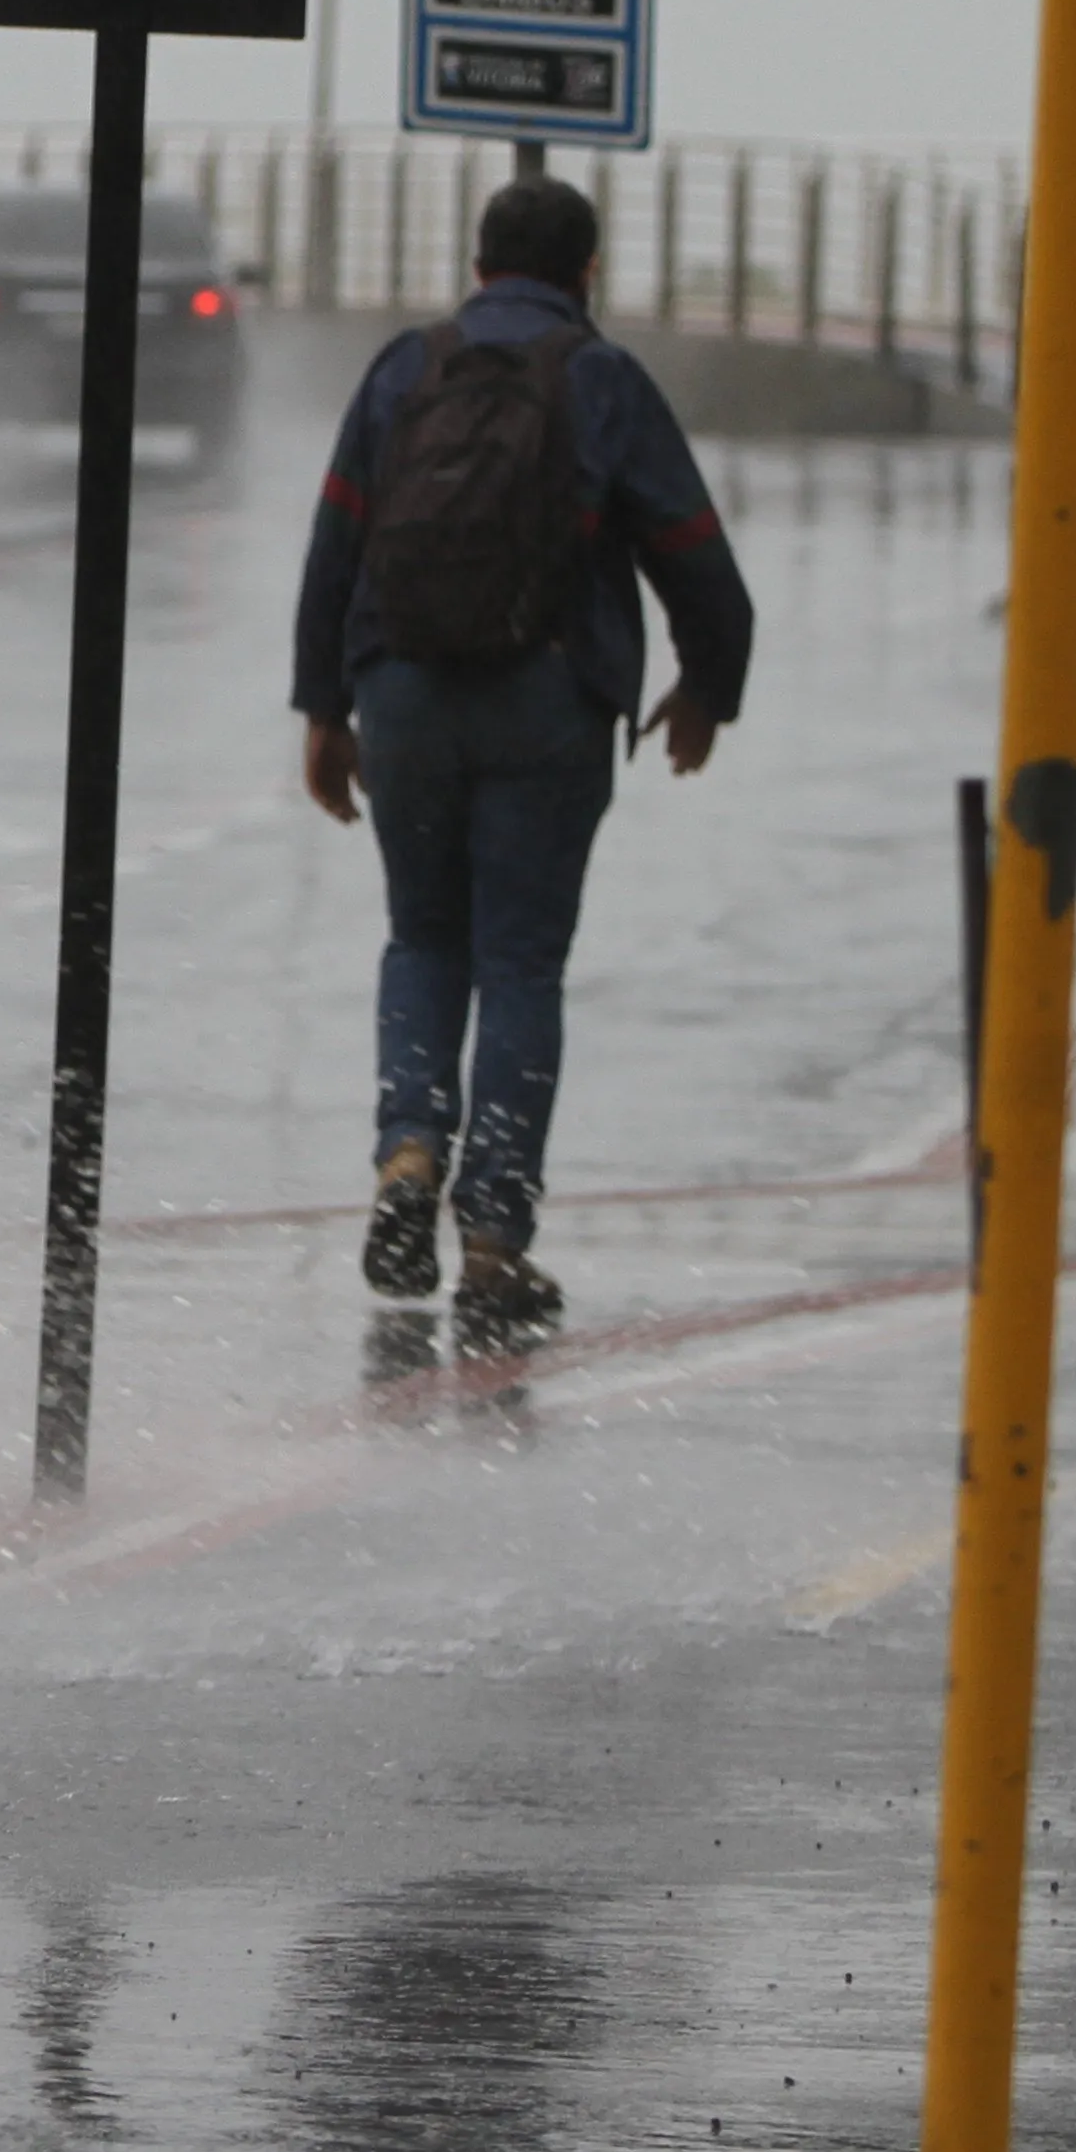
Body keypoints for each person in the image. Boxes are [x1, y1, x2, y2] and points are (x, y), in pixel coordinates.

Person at [293, 173, 755, 1345]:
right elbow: (693, 550)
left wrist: (326, 711)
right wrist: (707, 689)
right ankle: (494, 1239)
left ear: (477, 260)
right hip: (549, 699)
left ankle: (407, 1151)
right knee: (520, 964)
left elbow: (337, 537)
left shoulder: (407, 368)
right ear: (587, 273)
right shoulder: (600, 380)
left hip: (402, 691)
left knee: (423, 936)